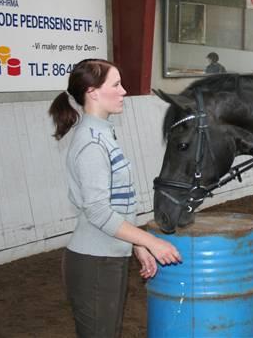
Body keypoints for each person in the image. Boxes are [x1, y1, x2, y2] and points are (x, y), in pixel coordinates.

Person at [49, 58, 182, 337]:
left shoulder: (102, 135)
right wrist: (151, 242)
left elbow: (117, 204)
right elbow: (98, 212)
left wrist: (136, 246)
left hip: (107, 257)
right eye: (117, 84)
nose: (124, 91)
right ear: (93, 92)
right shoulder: (92, 143)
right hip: (95, 262)